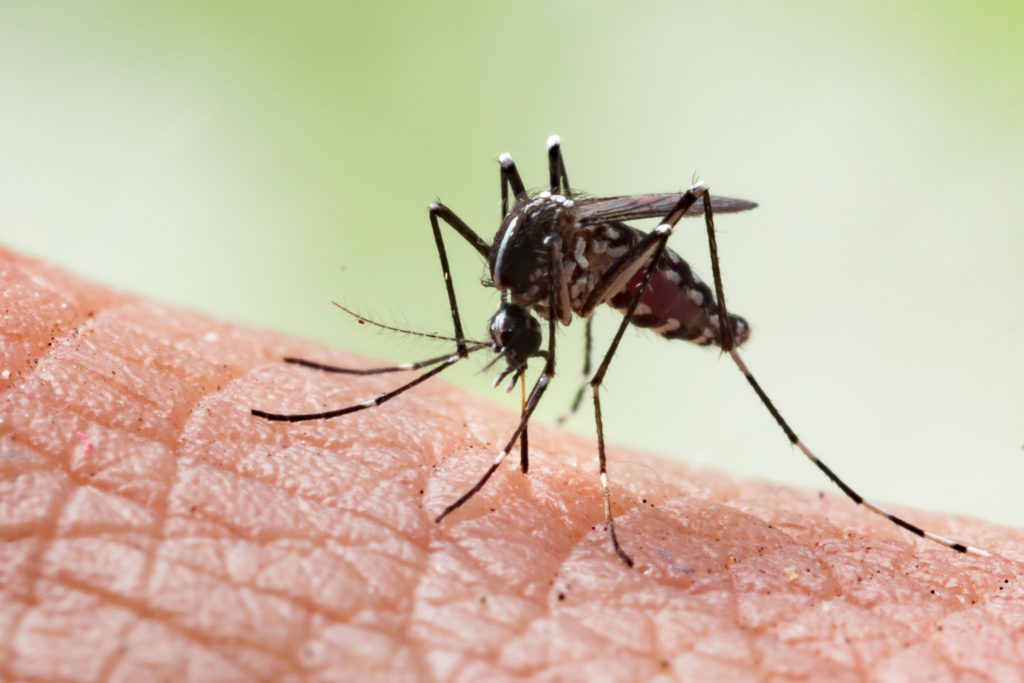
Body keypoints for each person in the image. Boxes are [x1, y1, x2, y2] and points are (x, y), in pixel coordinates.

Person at [0, 246, 1013, 680]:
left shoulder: (570, 274)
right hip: (579, 273)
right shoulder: (510, 274)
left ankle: (801, 447)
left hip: (645, 270)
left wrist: (594, 357)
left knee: (640, 232)